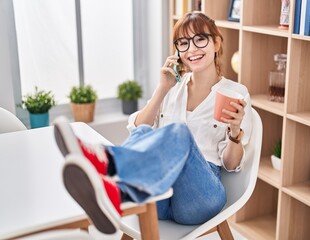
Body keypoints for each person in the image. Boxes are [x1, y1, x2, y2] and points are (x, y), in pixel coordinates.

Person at [54, 12, 252, 235]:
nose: (191, 49)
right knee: (145, 131)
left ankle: (105, 160)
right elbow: (138, 129)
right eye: (183, 43)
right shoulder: (173, 88)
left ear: (216, 42)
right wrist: (163, 88)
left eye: (200, 39)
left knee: (178, 132)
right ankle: (116, 192)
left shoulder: (235, 93)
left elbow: (231, 165)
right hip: (161, 191)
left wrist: (235, 131)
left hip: (201, 195)